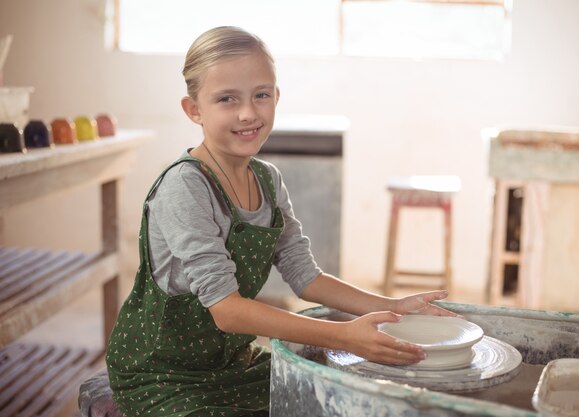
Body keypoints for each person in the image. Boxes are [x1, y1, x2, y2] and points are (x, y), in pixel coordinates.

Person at [105, 26, 459, 417]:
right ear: (194, 110)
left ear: (277, 96)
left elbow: (305, 276)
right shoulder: (185, 186)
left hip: (228, 364)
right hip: (160, 374)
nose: (248, 113)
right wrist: (343, 335)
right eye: (226, 99)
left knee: (336, 394)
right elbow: (228, 311)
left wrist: (393, 306)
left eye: (261, 95)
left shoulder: (267, 179)